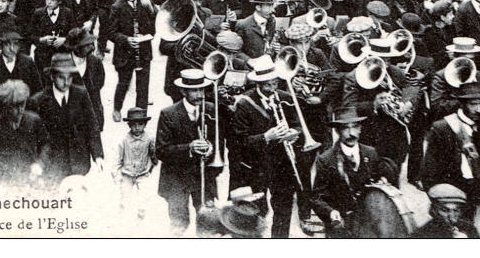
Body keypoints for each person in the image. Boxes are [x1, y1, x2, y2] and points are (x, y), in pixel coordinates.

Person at [230, 54, 302, 238]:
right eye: (267, 85)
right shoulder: (245, 104)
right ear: (258, 84)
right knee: (256, 210)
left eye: (275, 83)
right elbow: (239, 142)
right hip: (257, 165)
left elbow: (297, 124)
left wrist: (294, 134)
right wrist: (265, 137)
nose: (272, 88)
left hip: (282, 163)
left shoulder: (285, 97)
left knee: (284, 207)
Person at [156, 69, 221, 235]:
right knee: (178, 224)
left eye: (202, 89)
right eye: (194, 90)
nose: (200, 94)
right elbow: (161, 151)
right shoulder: (168, 114)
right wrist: (189, 148)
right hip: (177, 178)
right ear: (183, 91)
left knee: (208, 223)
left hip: (204, 177)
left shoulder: (211, 109)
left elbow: (217, 140)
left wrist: (211, 150)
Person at [419, 82, 480, 208]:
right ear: (462, 104)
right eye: (473, 104)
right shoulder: (442, 127)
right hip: (454, 189)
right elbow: (430, 170)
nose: (479, 109)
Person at [311, 107, 391, 238]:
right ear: (337, 131)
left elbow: (380, 178)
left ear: (360, 129)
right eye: (345, 128)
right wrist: (331, 212)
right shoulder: (326, 160)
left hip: (368, 225)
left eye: (355, 127)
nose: (351, 133)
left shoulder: (370, 153)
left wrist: (382, 180)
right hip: (340, 227)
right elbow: (316, 198)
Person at [27, 53, 104, 188]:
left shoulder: (81, 94)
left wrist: (98, 155)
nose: (66, 82)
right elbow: (32, 137)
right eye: (61, 77)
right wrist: (35, 164)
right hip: (51, 165)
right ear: (52, 77)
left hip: (78, 162)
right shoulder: (38, 101)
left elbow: (92, 125)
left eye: (69, 77)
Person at [0, 80, 50, 191]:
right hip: (2, 182)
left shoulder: (34, 121)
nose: (20, 110)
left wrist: (40, 163)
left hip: (29, 179)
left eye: (22, 104)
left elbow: (46, 144)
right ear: (6, 107)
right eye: (15, 106)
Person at [108, 0, 156, 121]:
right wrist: (127, 39)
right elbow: (111, 33)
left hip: (143, 50)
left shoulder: (146, 2)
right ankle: (117, 108)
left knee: (143, 84)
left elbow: (154, 26)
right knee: (123, 82)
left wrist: (146, 35)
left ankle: (141, 113)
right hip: (125, 52)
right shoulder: (117, 6)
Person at [0, 32, 42, 127]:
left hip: (24, 121)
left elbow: (38, 92)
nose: (12, 48)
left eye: (15, 44)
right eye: (7, 44)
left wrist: (30, 118)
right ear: (1, 45)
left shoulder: (27, 63)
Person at [113, 107, 157, 221]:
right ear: (129, 125)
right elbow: (118, 159)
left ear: (145, 124)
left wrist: (152, 164)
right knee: (124, 200)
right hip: (127, 174)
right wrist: (116, 175)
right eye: (133, 124)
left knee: (143, 201)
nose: (137, 127)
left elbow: (154, 157)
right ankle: (122, 221)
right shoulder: (124, 140)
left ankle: (140, 222)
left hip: (143, 174)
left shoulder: (149, 139)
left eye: (140, 124)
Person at [66, 28, 106, 131]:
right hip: (71, 113)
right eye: (87, 45)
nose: (92, 47)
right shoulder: (63, 62)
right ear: (76, 47)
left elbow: (100, 82)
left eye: (91, 44)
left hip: (92, 110)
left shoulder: (95, 62)